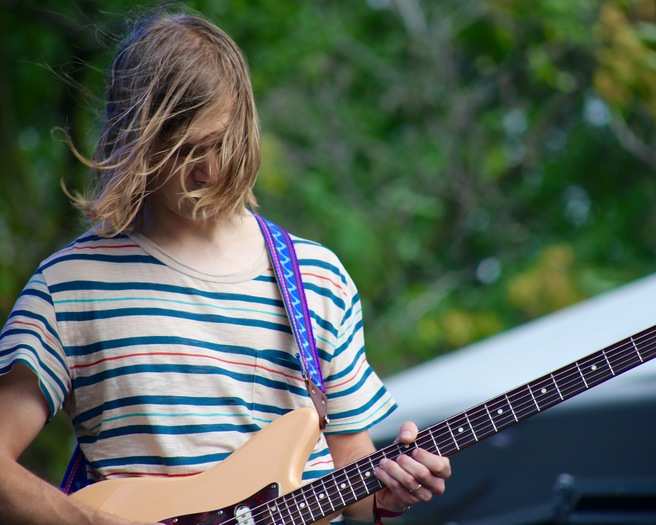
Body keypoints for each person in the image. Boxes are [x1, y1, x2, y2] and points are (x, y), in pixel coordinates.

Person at [0, 9, 451, 525]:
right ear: (135, 141)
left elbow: (352, 479)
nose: (209, 169)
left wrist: (388, 492)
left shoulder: (317, 279)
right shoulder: (68, 287)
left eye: (221, 143)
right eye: (184, 150)